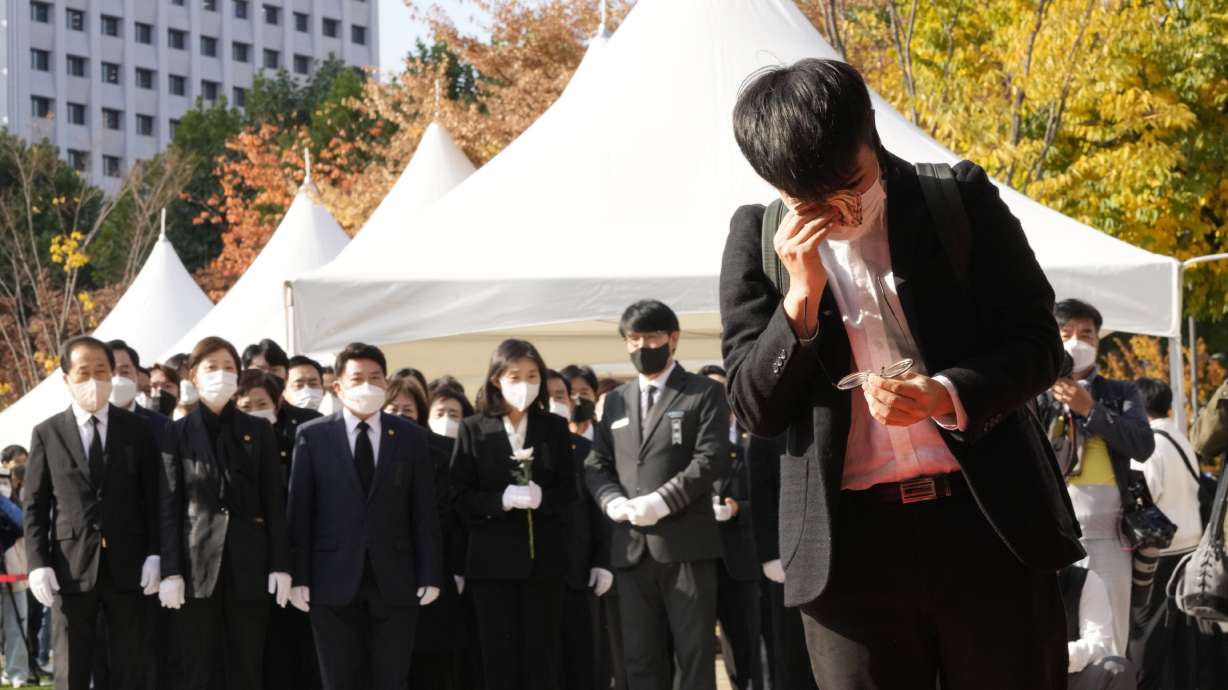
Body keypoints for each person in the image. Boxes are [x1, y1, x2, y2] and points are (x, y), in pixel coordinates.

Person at [721, 58, 1084, 689]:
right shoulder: (757, 238)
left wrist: (946, 393)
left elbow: (1038, 343)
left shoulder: (956, 197)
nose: (837, 212)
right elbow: (757, 409)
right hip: (849, 549)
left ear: (873, 137)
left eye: (851, 185)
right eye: (808, 200)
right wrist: (799, 302)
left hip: (987, 525)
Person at [585, 300, 731, 690]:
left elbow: (711, 458)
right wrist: (611, 500)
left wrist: (662, 501)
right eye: (633, 339)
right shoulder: (615, 400)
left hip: (686, 546)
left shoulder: (702, 393)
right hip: (631, 550)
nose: (641, 346)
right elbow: (596, 463)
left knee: (694, 654)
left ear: (673, 339)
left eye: (650, 337)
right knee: (639, 657)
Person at [287, 342, 442, 690]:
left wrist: (430, 571)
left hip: (395, 577)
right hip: (331, 578)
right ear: (338, 386)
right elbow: (300, 511)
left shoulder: (411, 437)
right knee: (340, 679)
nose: (367, 385)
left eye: (375, 377)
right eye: (357, 378)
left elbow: (424, 509)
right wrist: (299, 574)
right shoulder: (312, 436)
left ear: (385, 383)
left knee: (391, 677)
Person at [24, 336, 162, 690]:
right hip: (70, 568)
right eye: (83, 372)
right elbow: (36, 506)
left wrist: (155, 553)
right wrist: (38, 562)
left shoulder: (138, 430)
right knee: (72, 665)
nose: (93, 380)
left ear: (113, 373)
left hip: (129, 567)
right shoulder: (47, 433)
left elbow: (154, 497)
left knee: (128, 664)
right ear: (66, 378)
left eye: (101, 371)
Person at [157, 336, 293, 690]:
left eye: (229, 367)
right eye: (212, 367)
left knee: (246, 663)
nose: (222, 374)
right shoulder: (176, 432)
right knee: (198, 666)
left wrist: (280, 563)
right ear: (193, 376)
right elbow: (170, 505)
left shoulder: (258, 430)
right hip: (196, 563)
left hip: (250, 563)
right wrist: (170, 570)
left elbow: (273, 502)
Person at [451, 339, 575, 690]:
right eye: (515, 376)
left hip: (544, 563)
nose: (525, 384)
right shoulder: (474, 428)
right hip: (491, 563)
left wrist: (543, 498)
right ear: (496, 380)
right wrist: (499, 500)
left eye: (532, 375)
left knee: (542, 654)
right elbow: (458, 495)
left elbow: (570, 491)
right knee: (497, 655)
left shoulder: (552, 427)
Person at [1035, 299, 1155, 653]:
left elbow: (1143, 445)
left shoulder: (1121, 393)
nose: (1076, 340)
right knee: (1055, 632)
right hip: (1054, 536)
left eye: (1086, 333)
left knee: (1111, 637)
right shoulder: (1036, 393)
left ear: (1098, 341)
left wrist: (1090, 409)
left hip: (1110, 537)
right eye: (1067, 332)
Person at [233, 369, 321, 690]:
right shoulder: (231, 440)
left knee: (299, 647)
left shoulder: (300, 436)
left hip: (296, 556)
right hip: (252, 560)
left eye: (262, 403)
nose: (255, 410)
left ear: (278, 402)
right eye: (246, 405)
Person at [1128, 377, 1202, 690]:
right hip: (1190, 548)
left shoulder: (1149, 446)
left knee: (1147, 633)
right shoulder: (1180, 439)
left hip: (1160, 553)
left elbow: (1144, 503)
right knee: (1180, 634)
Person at [546, 369, 614, 690]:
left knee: (586, 661)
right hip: (534, 576)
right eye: (548, 396)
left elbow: (599, 512)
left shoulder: (585, 450)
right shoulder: (513, 448)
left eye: (560, 396)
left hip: (580, 572)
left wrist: (602, 560)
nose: (555, 403)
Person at [698, 365, 763, 690]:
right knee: (695, 644)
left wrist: (740, 508)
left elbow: (770, 498)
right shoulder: (685, 446)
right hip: (699, 557)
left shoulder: (753, 442)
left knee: (743, 641)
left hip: (740, 559)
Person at [746, 431, 818, 690]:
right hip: (789, 554)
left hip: (837, 550)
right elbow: (760, 488)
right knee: (791, 649)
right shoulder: (769, 422)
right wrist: (770, 554)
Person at [1060, 564, 1138, 690]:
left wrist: (1062, 656)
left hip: (1067, 675)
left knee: (1116, 669)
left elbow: (1100, 642)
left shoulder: (1084, 579)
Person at [1, 465, 29, 688]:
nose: (3, 486)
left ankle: (17, 672)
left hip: (14, 574)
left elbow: (23, 524)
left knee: (17, 625)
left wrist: (3, 502)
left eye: (5, 481)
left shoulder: (14, 504)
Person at [106, 339, 170, 436]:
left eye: (125, 372)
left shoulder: (162, 425)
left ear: (136, 375)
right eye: (109, 373)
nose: (117, 379)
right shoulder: (87, 430)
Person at [560, 365, 600, 441]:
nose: (577, 398)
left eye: (584, 393)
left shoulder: (607, 435)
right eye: (572, 393)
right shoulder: (552, 436)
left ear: (595, 397)